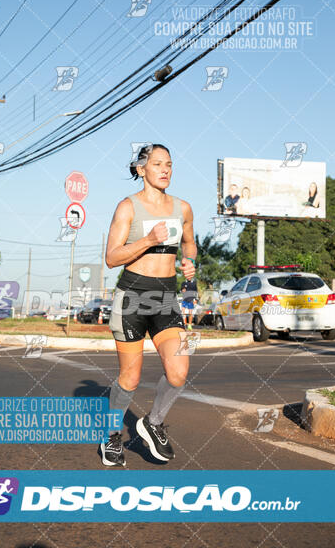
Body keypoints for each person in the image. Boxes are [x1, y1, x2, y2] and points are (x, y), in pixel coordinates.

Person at [101, 143, 196, 466]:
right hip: (132, 297)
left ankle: (152, 424)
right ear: (141, 169)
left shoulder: (183, 208)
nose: (165, 169)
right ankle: (112, 438)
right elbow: (112, 257)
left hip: (167, 298)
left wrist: (189, 262)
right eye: (157, 164)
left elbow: (190, 244)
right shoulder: (127, 207)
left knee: (180, 370)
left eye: (169, 164)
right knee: (130, 378)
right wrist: (149, 240)